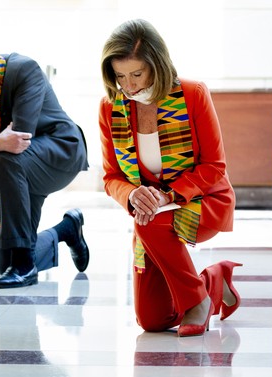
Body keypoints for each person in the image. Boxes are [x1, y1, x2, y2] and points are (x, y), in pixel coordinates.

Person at [99, 19, 241, 337]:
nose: (129, 84)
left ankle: (196, 301)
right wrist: (131, 195)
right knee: (152, 320)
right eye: (120, 76)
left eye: (137, 74)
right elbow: (111, 176)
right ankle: (212, 282)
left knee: (148, 221)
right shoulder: (110, 108)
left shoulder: (193, 93)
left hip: (203, 201)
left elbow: (214, 166)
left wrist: (167, 196)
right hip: (150, 213)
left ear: (157, 65)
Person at [0, 46, 90, 289]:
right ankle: (67, 229)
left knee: (3, 159)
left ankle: (25, 267)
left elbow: (19, 138)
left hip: (59, 152)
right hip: (11, 171)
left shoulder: (24, 70)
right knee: (6, 265)